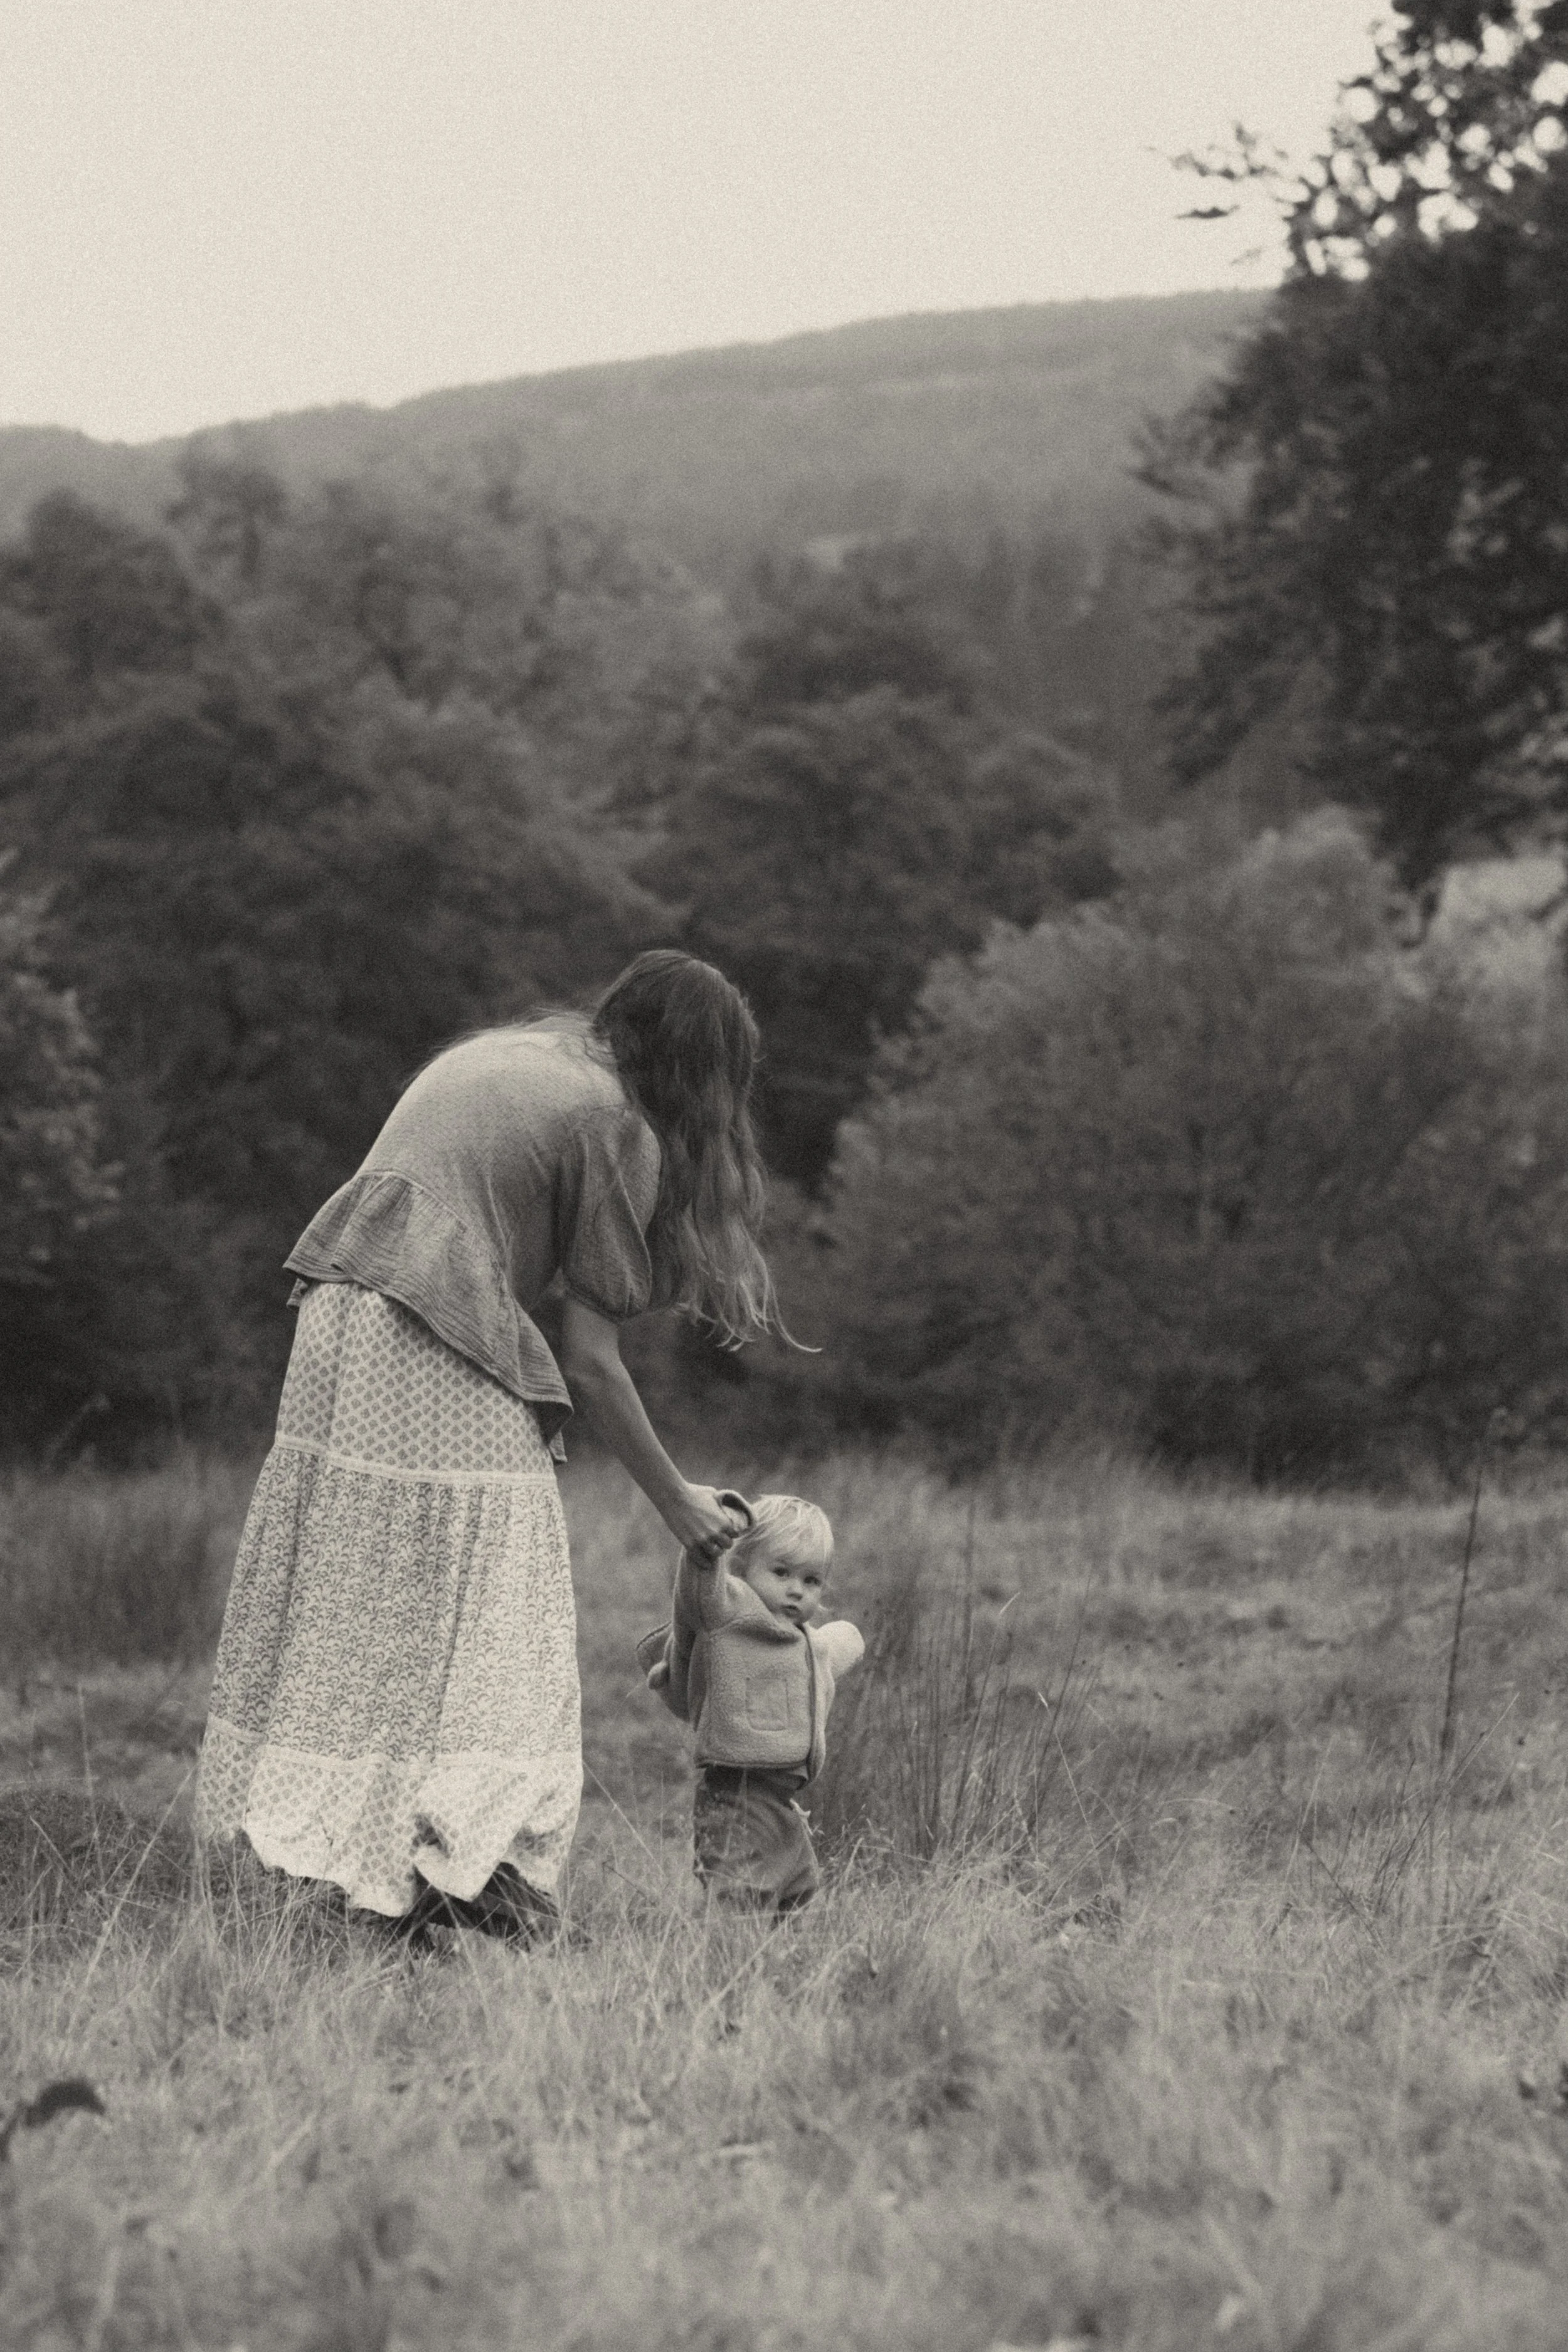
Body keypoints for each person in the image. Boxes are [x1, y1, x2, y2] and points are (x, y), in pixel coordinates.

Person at [195, 951, 773, 1944]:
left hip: (340, 1316)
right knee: (508, 1594)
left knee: (367, 1586)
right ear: (699, 1070)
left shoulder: (511, 1052)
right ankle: (477, 1867)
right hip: (423, 1325)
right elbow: (592, 1362)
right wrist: (677, 1499)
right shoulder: (612, 1121)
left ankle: (350, 1854)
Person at [638, 1493, 864, 1912]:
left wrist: (849, 1640)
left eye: (811, 1581)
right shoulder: (731, 1614)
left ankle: (782, 1967)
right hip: (734, 1792)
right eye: (781, 1572)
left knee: (797, 1894)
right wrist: (708, 1546)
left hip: (782, 1799)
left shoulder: (803, 1641)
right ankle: (725, 1964)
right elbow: (699, 1587)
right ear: (743, 1568)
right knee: (738, 1893)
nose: (796, 1590)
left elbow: (831, 1651)